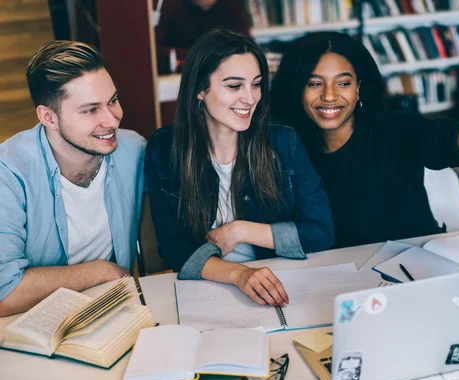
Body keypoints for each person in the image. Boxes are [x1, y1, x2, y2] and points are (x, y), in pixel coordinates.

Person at [270, 32, 459, 249]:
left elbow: (451, 137)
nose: (329, 96)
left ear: (359, 87)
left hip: (415, 268)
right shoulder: (287, 145)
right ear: (297, 88)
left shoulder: (394, 128)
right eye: (314, 84)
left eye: (343, 83)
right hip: (340, 279)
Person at [145, 30, 334, 307]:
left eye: (256, 84)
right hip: (206, 289)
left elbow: (321, 232)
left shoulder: (283, 141)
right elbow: (173, 246)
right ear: (200, 89)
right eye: (234, 86)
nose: (250, 98)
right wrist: (239, 274)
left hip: (280, 283)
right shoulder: (164, 149)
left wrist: (240, 231)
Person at [0, 41, 146, 317]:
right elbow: (4, 293)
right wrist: (101, 271)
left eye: (113, 101)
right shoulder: (8, 173)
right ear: (49, 117)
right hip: (34, 323)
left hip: (115, 313)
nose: (113, 120)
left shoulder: (133, 150)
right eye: (91, 110)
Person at [154, 0, 251, 74]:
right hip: (177, 80)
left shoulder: (233, 4)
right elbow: (153, 53)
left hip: (224, 75)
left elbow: (247, 47)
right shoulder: (165, 5)